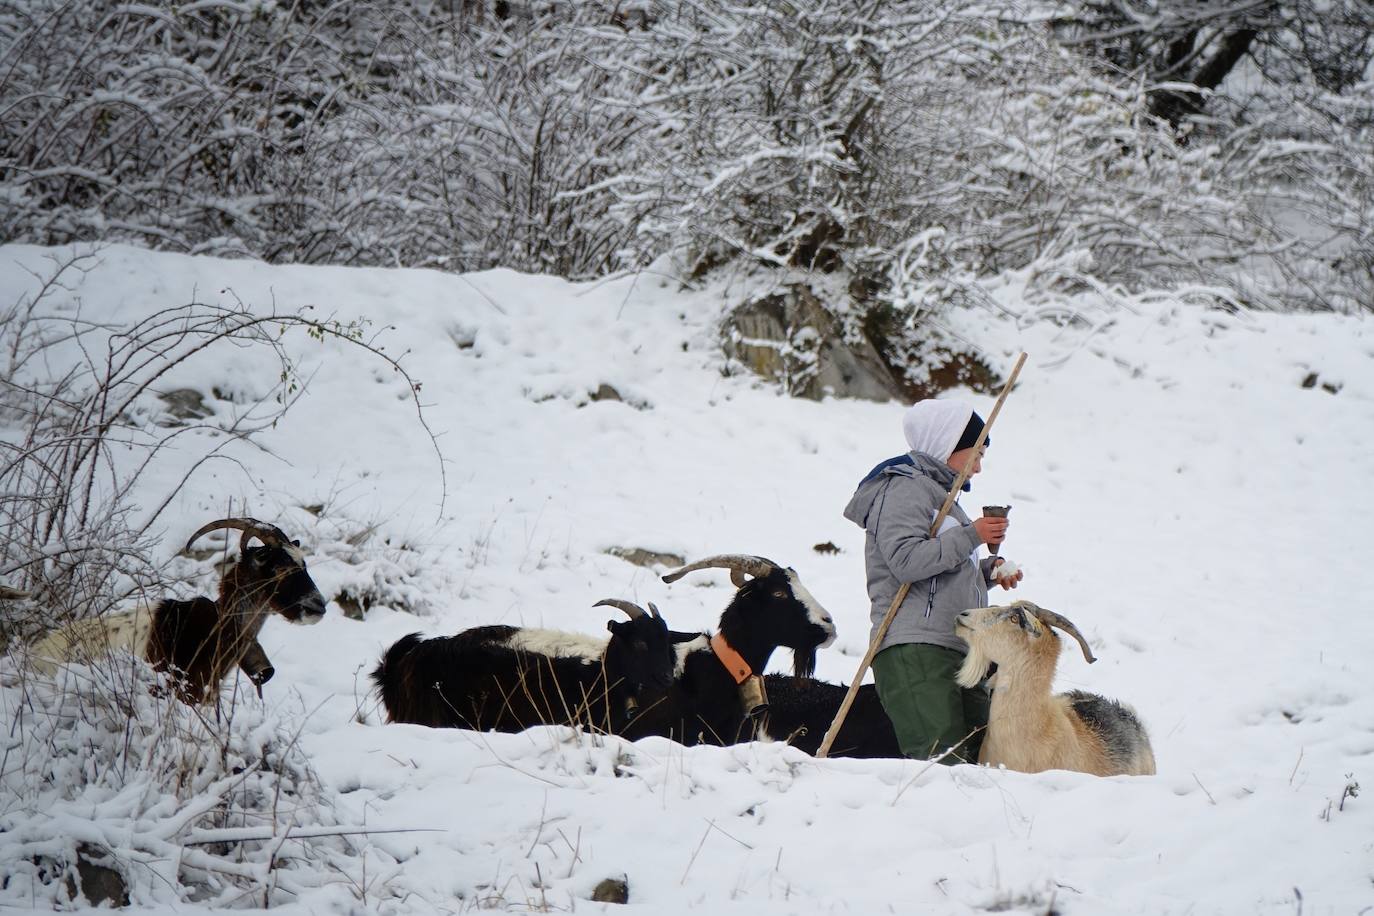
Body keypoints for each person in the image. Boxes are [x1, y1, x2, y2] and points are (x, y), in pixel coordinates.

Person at [842, 399, 1023, 763]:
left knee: (982, 765)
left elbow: (939, 575)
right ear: (946, 444)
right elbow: (906, 562)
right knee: (944, 765)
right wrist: (972, 535)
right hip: (916, 648)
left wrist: (987, 571)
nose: (979, 467)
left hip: (957, 648)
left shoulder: (944, 497)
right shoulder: (904, 488)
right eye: (975, 453)